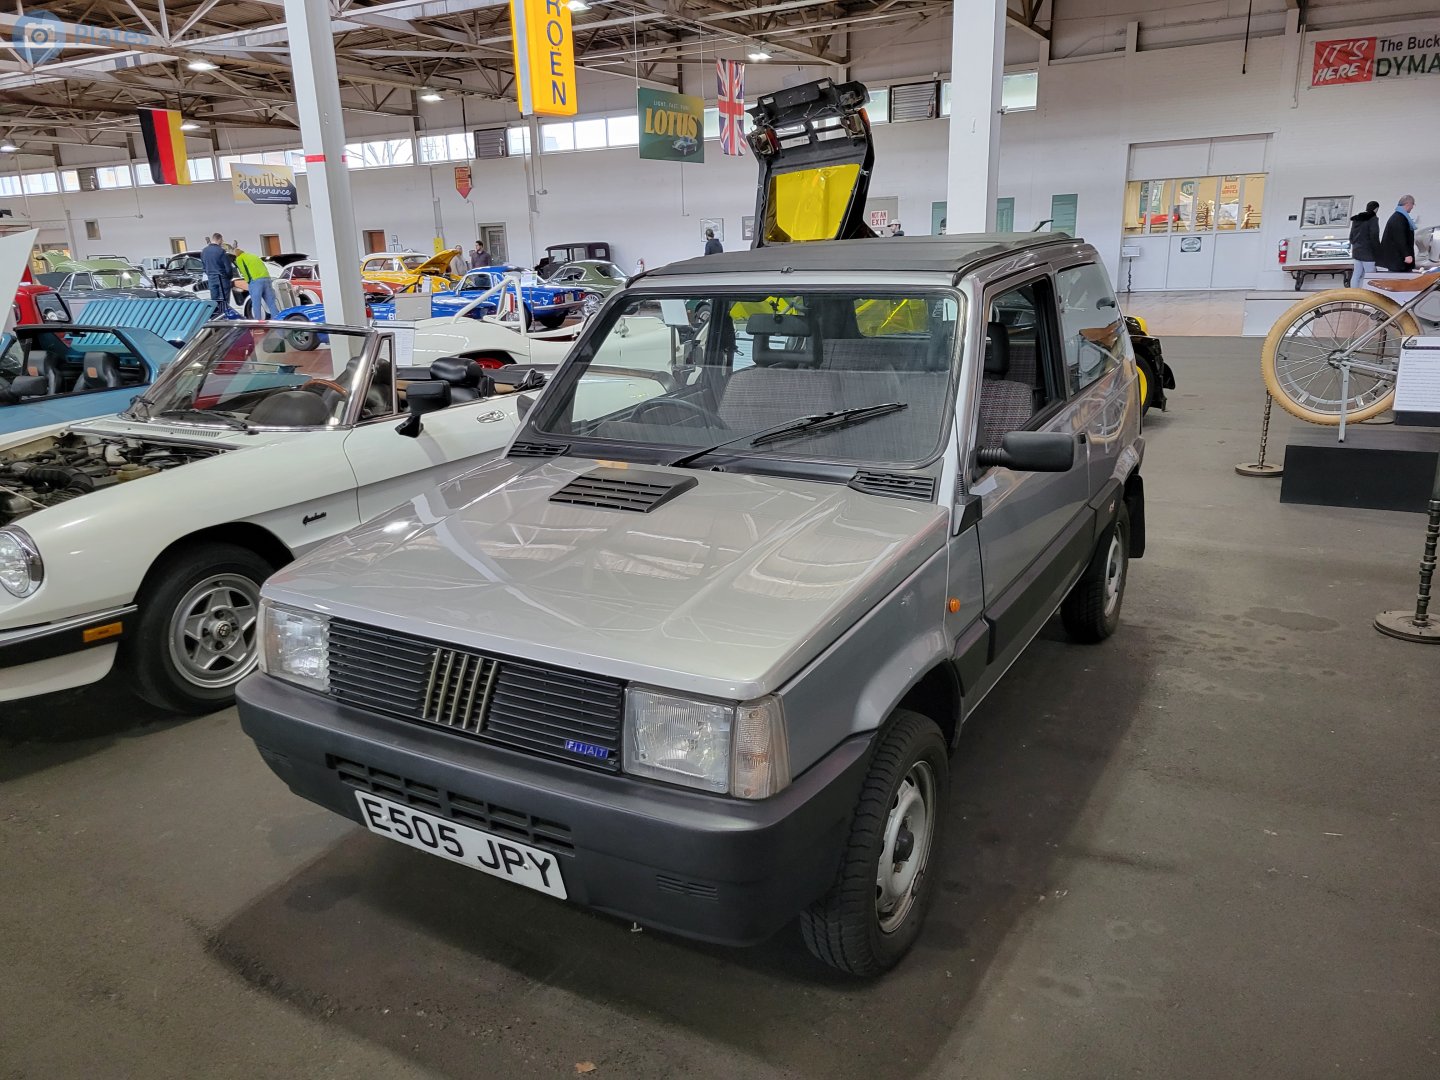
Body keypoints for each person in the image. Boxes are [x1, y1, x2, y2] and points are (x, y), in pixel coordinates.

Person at [233, 243, 278, 319]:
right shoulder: (253, 256)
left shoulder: (239, 258)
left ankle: (258, 323)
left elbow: (243, 271)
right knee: (271, 303)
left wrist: (248, 281)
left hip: (256, 281)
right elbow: (264, 266)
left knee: (256, 303)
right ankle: (277, 320)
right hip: (267, 278)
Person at [1378, 195, 1418, 273]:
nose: (1412, 207)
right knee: (1400, 281)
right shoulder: (1399, 218)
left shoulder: (1399, 216)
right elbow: (1400, 238)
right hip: (1397, 260)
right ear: (1408, 204)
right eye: (1413, 204)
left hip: (1397, 258)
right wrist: (1407, 255)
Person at [1348, 201, 1382, 288]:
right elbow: (1374, 236)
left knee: (1356, 274)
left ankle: (1354, 295)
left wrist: (1355, 244)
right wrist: (1378, 251)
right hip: (1368, 252)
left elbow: (1351, 236)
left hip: (1356, 250)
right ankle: (1370, 296)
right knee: (1370, 275)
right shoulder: (1373, 219)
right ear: (1376, 209)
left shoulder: (1356, 219)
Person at [200, 233, 229, 314]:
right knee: (224, 301)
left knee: (214, 301)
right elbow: (228, 267)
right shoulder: (221, 251)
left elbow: (204, 266)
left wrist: (210, 274)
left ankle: (216, 318)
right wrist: (228, 277)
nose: (222, 242)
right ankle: (224, 317)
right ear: (219, 239)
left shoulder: (204, 251)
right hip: (222, 279)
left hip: (211, 279)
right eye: (221, 240)